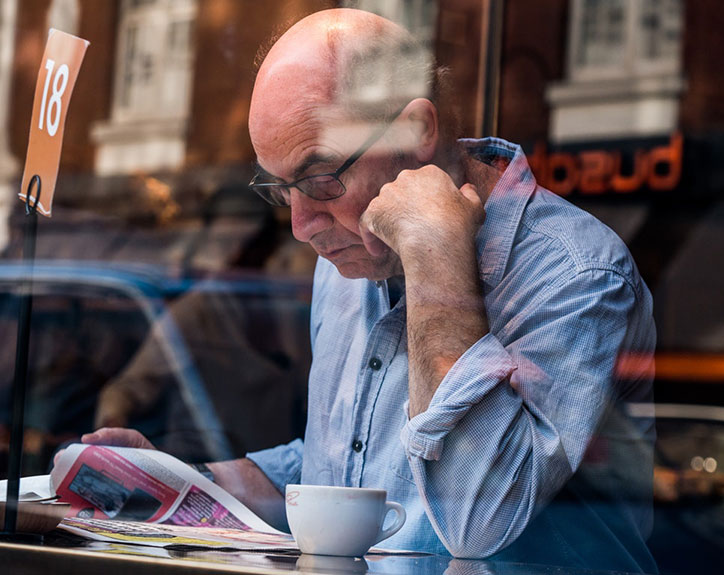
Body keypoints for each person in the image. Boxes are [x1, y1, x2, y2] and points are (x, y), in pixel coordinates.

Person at [79, 8, 657, 571]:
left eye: (321, 176)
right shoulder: (349, 266)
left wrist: (436, 256)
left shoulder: (579, 275)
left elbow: (476, 520)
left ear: (419, 129)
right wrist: (188, 482)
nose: (301, 226)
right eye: (281, 189)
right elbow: (343, 473)